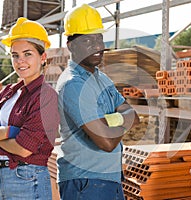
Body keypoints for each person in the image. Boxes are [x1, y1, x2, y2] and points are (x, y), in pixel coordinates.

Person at [56, 4, 140, 200]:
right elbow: (106, 142)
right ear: (70, 45)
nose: (97, 46)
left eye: (99, 38)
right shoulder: (73, 85)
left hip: (109, 180)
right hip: (85, 184)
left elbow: (134, 116)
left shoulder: (102, 78)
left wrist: (107, 120)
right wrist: (121, 118)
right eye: (87, 40)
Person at [0, 17, 60, 200]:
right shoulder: (7, 93)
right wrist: (11, 131)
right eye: (15, 55)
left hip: (29, 182)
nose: (20, 61)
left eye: (28, 54)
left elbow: (23, 149)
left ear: (43, 57)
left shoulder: (46, 97)